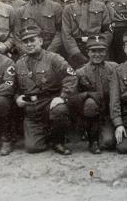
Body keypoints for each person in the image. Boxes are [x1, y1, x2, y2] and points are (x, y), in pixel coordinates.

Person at [13, 24, 78, 155]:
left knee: (60, 110)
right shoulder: (19, 64)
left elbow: (71, 76)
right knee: (33, 148)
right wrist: (17, 97)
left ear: (41, 41)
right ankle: (46, 133)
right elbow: (14, 87)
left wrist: (62, 96)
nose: (29, 44)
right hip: (31, 107)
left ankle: (57, 141)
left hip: (49, 102)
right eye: (25, 41)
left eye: (32, 40)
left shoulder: (54, 58)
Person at [69, 34, 118, 154]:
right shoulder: (80, 72)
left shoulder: (114, 68)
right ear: (88, 53)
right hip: (89, 114)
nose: (97, 54)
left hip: (107, 113)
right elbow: (72, 98)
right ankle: (93, 141)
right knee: (90, 103)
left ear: (106, 52)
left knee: (108, 142)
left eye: (101, 51)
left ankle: (103, 132)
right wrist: (87, 94)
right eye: (93, 51)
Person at [61, 0, 113, 69]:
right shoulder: (68, 9)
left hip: (98, 49)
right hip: (77, 50)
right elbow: (66, 35)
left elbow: (108, 30)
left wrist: (100, 48)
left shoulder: (101, 6)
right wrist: (76, 53)